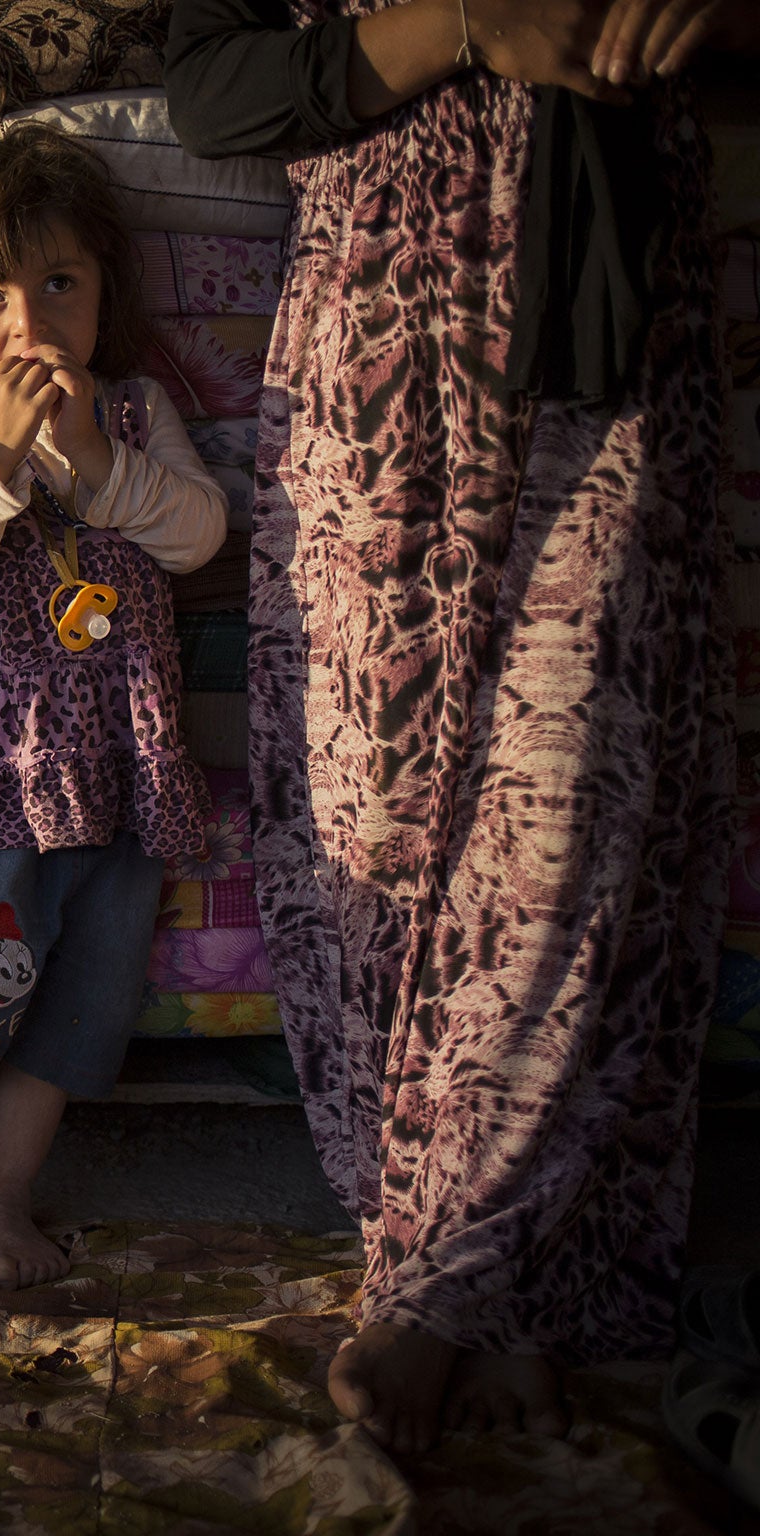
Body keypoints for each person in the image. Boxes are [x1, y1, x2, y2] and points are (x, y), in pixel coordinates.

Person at [166, 0, 757, 1456]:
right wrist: (469, 29)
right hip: (378, 339)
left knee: (571, 803)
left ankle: (443, 1294)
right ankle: (489, 1279)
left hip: (608, 337)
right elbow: (212, 90)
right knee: (372, 814)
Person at [0, 129, 229, 1290]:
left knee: (82, 989)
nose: (29, 322)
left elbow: (199, 533)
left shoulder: (127, 419)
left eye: (58, 283)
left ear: (102, 290)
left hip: (116, 766)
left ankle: (8, 1189)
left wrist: (94, 464)